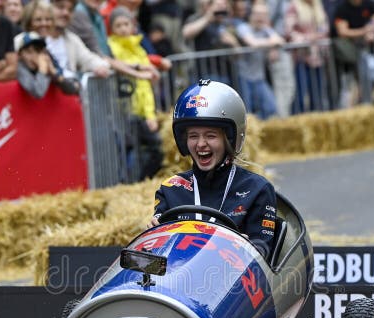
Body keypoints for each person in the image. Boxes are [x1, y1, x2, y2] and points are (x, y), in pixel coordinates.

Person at [149, 80, 277, 258]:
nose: (201, 144)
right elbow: (157, 254)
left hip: (229, 280)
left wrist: (245, 249)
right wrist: (152, 235)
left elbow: (262, 252)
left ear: (230, 139)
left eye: (211, 136)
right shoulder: (171, 188)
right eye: (193, 136)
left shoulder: (257, 189)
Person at [108, 6, 163, 180]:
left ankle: (141, 181)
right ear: (112, 29)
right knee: (126, 152)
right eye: (119, 25)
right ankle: (127, 184)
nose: (123, 28)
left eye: (126, 24)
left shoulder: (139, 48)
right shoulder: (111, 47)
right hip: (122, 110)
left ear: (133, 26)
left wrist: (150, 114)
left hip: (141, 110)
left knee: (156, 148)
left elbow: (146, 86)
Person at [235, 1, 282, 119]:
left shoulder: (265, 29)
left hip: (259, 77)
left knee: (271, 108)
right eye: (257, 14)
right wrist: (271, 44)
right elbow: (253, 43)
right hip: (243, 77)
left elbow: (280, 40)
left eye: (264, 14)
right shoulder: (243, 27)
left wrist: (272, 44)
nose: (260, 17)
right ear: (251, 15)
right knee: (246, 112)